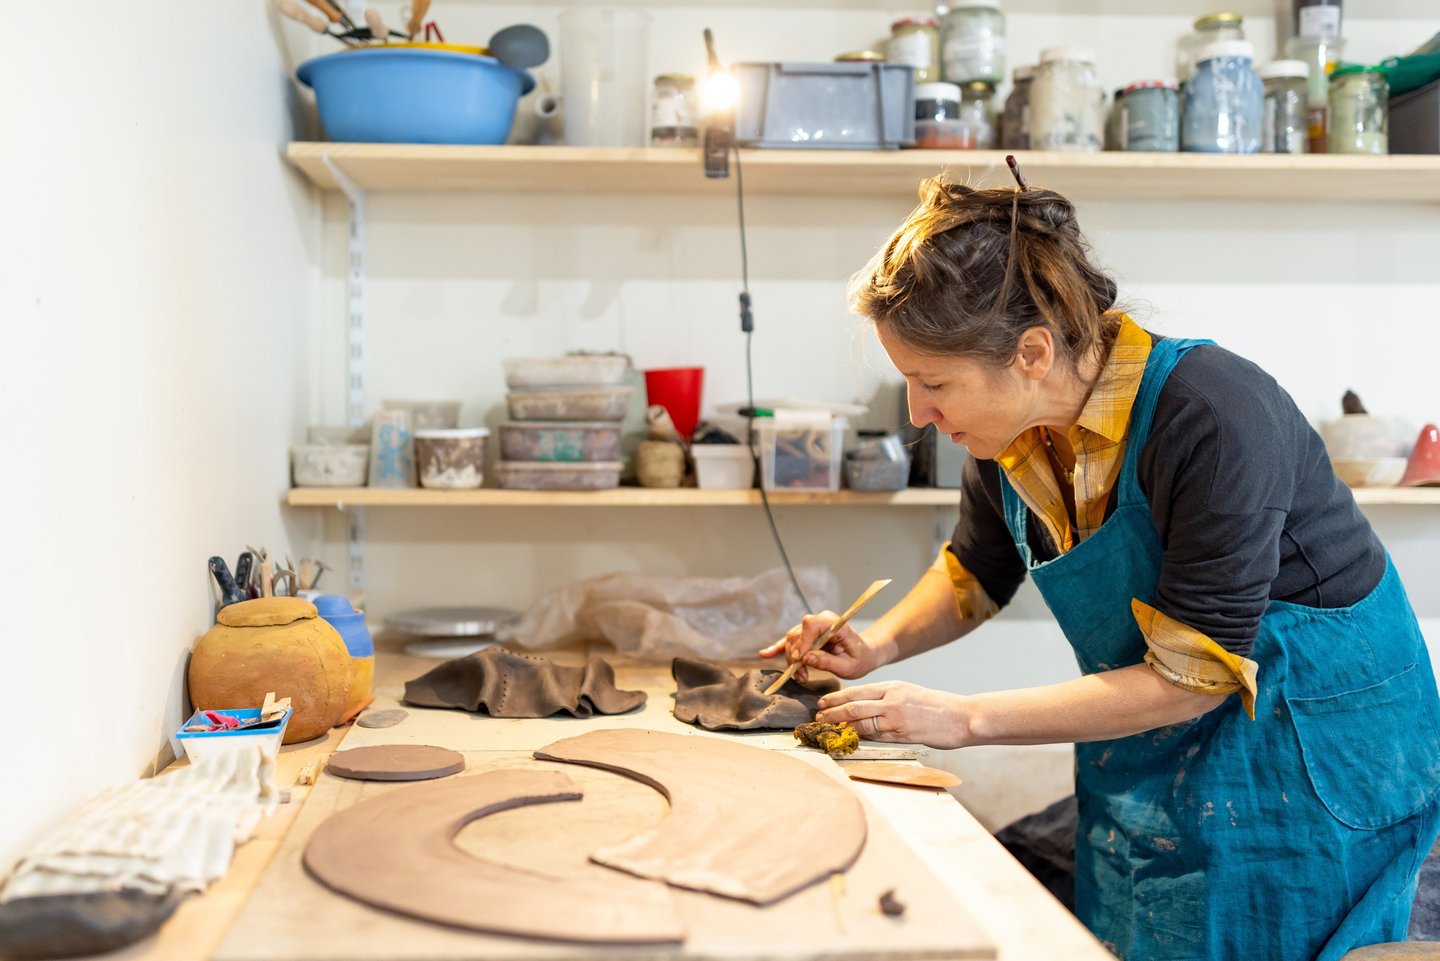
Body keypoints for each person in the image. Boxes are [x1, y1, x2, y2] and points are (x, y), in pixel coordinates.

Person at [760, 160, 1440, 961]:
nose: (918, 412)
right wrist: (876, 644)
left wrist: (964, 718)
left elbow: (1191, 679)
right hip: (1157, 746)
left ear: (1033, 353)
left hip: (1309, 762)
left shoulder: (1214, 414)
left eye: (932, 381)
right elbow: (975, 574)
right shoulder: (1003, 437)